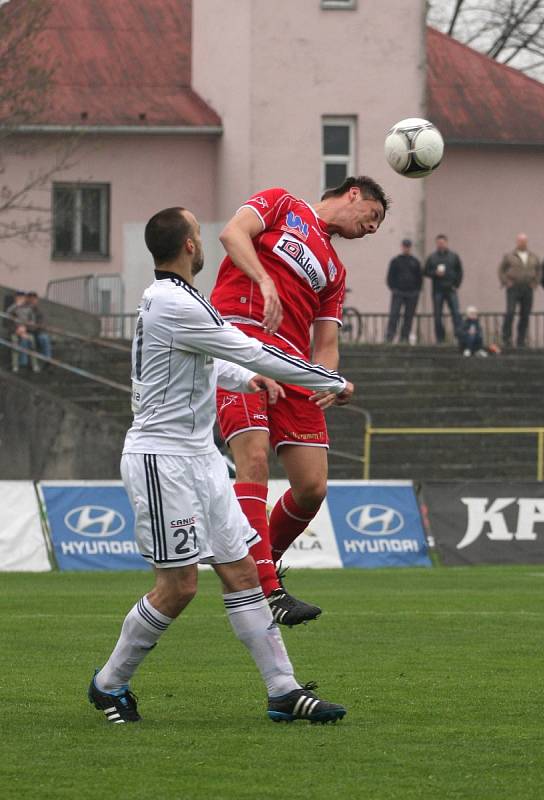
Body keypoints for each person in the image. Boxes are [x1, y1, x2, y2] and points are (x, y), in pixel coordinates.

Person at [88, 206, 353, 725]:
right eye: (198, 230)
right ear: (190, 245)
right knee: (179, 587)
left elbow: (206, 362)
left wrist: (241, 380)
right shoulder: (173, 302)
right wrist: (328, 380)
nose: (206, 239)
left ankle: (283, 691)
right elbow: (251, 350)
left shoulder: (180, 300)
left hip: (200, 459)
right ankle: (109, 685)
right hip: (162, 460)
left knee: (242, 573)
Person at [210, 176, 388, 624]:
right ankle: (266, 589)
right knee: (252, 461)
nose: (373, 229)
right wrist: (263, 281)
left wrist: (326, 378)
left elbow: (326, 340)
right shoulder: (281, 203)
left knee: (312, 487)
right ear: (353, 194)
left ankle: (254, 563)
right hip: (238, 340)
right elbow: (232, 234)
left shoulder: (335, 271)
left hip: (291, 366)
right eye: (373, 216)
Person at [498, 233, 541, 348]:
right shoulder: (509, 256)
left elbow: (539, 270)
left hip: (527, 288)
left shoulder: (533, 256)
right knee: (510, 312)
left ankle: (521, 340)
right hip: (513, 288)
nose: (522, 243)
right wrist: (506, 282)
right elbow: (501, 270)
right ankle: (506, 338)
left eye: (524, 241)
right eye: (520, 241)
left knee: (525, 315)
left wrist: (535, 282)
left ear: (527, 242)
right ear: (517, 242)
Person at [424, 234, 462, 344]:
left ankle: (458, 337)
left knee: (456, 314)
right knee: (437, 315)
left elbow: (460, 271)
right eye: (439, 243)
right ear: (436, 244)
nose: (441, 245)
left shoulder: (453, 256)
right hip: (438, 290)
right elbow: (426, 271)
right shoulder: (432, 257)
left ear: (446, 243)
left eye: (442, 243)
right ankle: (440, 339)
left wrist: (456, 285)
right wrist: (434, 273)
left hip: (451, 289)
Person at [384, 238, 422, 343]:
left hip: (412, 293)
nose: (406, 248)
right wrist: (394, 289)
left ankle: (404, 338)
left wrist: (416, 291)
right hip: (398, 292)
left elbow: (419, 278)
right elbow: (390, 277)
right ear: (402, 247)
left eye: (408, 246)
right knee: (394, 314)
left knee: (408, 317)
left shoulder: (415, 262)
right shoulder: (396, 261)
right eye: (405, 246)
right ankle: (390, 337)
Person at [6, 290, 40, 373]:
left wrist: (25, 329)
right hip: (15, 331)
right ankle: (15, 365)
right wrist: (17, 330)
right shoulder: (13, 307)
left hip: (25, 331)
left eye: (22, 297)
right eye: (19, 297)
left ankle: (35, 365)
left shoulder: (29, 308)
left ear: (25, 298)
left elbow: (32, 321)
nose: (21, 299)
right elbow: (7, 316)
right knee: (15, 342)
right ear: (16, 298)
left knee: (32, 341)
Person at [26, 291, 53, 362]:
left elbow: (42, 324)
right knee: (27, 339)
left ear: (36, 300)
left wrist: (34, 327)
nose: (32, 301)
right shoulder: (23, 309)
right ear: (27, 299)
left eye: (34, 299)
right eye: (30, 299)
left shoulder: (39, 311)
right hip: (26, 331)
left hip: (37, 332)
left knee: (44, 338)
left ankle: (48, 360)